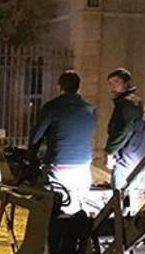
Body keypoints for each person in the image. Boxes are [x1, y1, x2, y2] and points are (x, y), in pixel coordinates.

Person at [29, 70, 97, 216]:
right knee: (79, 212)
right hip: (83, 166)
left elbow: (35, 137)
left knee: (54, 212)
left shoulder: (52, 107)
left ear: (59, 87)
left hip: (58, 165)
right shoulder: (90, 110)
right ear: (79, 87)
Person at [104, 68, 145, 212]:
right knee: (137, 197)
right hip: (141, 155)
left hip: (127, 156)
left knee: (120, 197)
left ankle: (121, 227)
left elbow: (124, 130)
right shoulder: (138, 102)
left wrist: (110, 151)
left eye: (116, 82)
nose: (113, 86)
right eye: (111, 83)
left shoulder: (125, 104)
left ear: (126, 83)